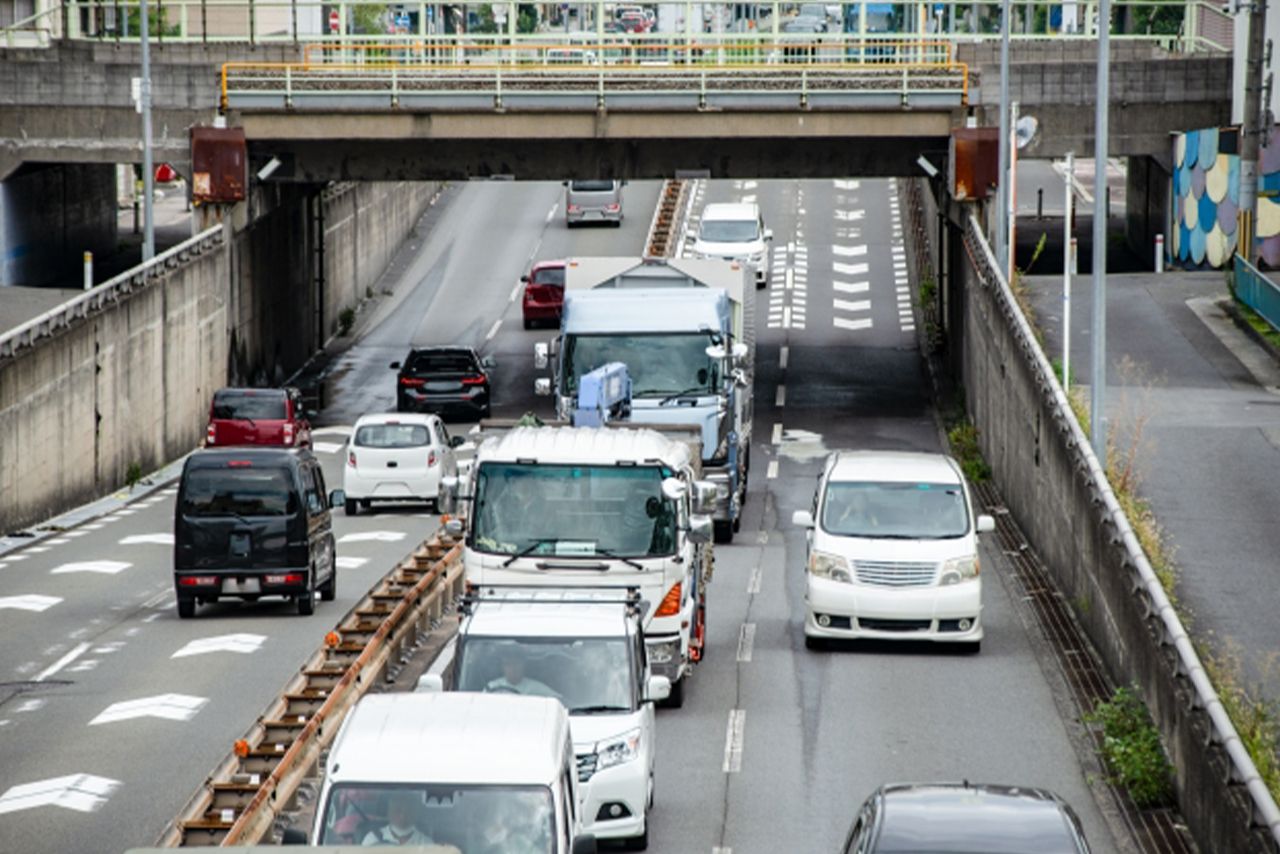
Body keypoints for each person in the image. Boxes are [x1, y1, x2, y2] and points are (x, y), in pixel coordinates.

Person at [362, 791, 433, 847]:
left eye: (408, 811)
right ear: (389, 812)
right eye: (398, 810)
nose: (403, 816)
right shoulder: (372, 838)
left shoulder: (426, 843)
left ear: (415, 813)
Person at [486, 647, 560, 698]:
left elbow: (560, 701)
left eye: (516, 664)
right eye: (508, 664)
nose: (513, 668)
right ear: (502, 667)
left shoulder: (536, 687)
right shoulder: (492, 687)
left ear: (524, 665)